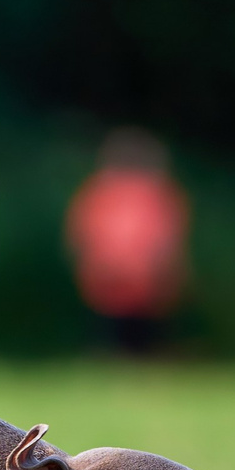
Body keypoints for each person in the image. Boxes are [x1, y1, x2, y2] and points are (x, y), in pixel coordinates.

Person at [66, 128, 188, 355]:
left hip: (119, 281)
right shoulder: (152, 193)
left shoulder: (101, 191)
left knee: (123, 338)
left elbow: (82, 235)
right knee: (134, 339)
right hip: (130, 281)